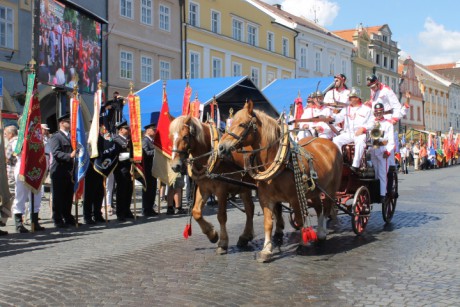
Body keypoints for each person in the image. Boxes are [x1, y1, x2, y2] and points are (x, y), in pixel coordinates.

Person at [10, 128, 46, 233]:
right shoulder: (17, 139)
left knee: (36, 195)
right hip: (23, 170)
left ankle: (34, 220)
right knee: (20, 196)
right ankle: (18, 223)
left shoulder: (37, 137)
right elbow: (18, 151)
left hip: (35, 169)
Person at [332, 88, 373, 173]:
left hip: (360, 133)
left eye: (352, 97)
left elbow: (372, 123)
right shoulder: (346, 109)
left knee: (360, 141)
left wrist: (363, 128)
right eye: (349, 97)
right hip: (349, 133)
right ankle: (341, 161)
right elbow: (338, 118)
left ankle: (355, 165)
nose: (349, 99)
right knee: (336, 140)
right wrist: (330, 118)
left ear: (357, 98)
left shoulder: (367, 109)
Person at [49, 113, 77, 228]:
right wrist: (69, 155)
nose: (70, 124)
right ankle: (57, 219)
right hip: (59, 170)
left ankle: (68, 216)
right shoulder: (56, 137)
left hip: (70, 171)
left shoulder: (72, 136)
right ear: (61, 123)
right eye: (68, 122)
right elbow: (56, 152)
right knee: (58, 196)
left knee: (68, 196)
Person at [368, 103, 395, 203]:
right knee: (375, 172)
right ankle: (375, 192)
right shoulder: (371, 122)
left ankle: (383, 194)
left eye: (380, 112)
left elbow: (391, 140)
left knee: (383, 173)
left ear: (383, 112)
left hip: (383, 149)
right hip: (373, 149)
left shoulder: (388, 124)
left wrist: (388, 151)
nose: (378, 114)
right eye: (376, 113)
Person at [113, 121, 134, 221]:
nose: (128, 130)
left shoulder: (129, 140)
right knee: (121, 191)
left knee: (129, 190)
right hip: (121, 169)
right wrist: (130, 157)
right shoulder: (116, 140)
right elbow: (117, 156)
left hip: (129, 169)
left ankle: (127, 210)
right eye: (126, 128)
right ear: (120, 130)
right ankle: (120, 212)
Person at [141, 123, 158, 216]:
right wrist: (156, 151)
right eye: (153, 130)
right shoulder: (145, 141)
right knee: (147, 189)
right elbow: (146, 153)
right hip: (147, 169)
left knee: (153, 189)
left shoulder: (152, 141)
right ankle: (146, 209)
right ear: (148, 131)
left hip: (153, 168)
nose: (155, 131)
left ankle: (150, 207)